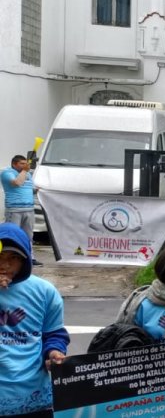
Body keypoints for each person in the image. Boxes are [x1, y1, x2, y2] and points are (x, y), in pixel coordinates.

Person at [0, 222, 67, 418]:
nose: (5, 265)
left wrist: (54, 352)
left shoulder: (45, 292)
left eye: (13, 258)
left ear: (25, 260)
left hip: (35, 399)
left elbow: (54, 333)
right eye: (0, 257)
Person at [1, 156, 38, 263]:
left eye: (25, 163)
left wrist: (36, 191)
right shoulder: (7, 173)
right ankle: (8, 257)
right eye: (22, 163)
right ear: (14, 164)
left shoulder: (27, 174)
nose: (25, 165)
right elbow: (17, 183)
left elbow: (28, 189)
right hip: (14, 210)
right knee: (12, 234)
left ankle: (30, 258)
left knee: (28, 235)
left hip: (29, 209)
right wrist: (25, 171)